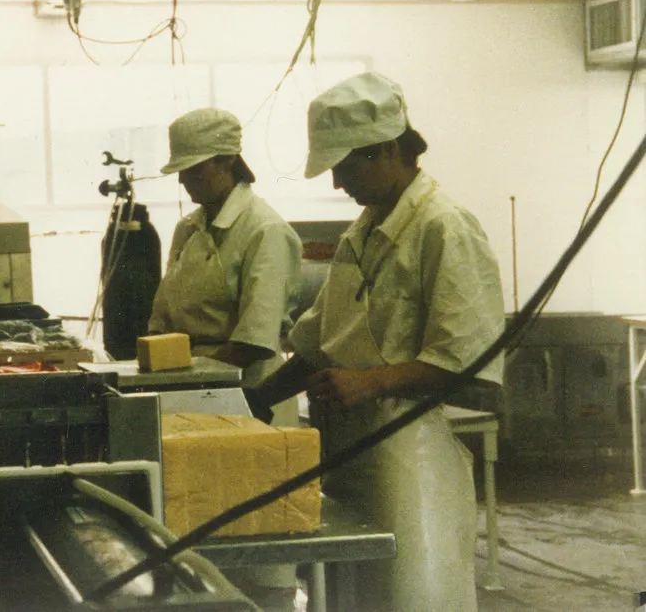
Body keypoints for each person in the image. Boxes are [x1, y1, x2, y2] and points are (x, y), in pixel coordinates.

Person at [249, 71, 505, 612]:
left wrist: (371, 382)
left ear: (388, 148)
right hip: (346, 450)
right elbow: (318, 342)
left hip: (406, 461)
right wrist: (251, 402)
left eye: (345, 165)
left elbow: (468, 358)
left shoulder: (445, 227)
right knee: (353, 598)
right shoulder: (361, 233)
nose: (339, 183)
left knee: (411, 594)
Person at [146, 107, 303, 610]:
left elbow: (256, 339)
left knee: (261, 558)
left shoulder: (265, 231)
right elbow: (162, 320)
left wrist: (181, 368)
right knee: (201, 556)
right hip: (189, 401)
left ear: (229, 161)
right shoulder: (189, 230)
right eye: (184, 171)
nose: (189, 181)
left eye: (197, 170)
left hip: (251, 402)